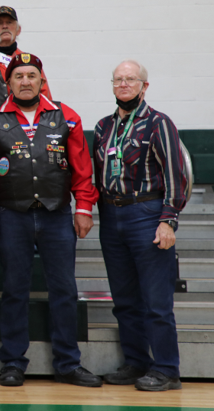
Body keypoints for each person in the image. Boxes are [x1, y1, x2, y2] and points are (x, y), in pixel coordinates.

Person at [0, 53, 101, 387]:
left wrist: (84, 208)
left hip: (57, 216)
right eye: (19, 76)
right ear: (8, 82)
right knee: (15, 289)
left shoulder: (65, 116)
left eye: (32, 75)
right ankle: (13, 362)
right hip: (11, 216)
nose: (26, 81)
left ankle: (68, 363)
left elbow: (82, 169)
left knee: (64, 289)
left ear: (42, 81)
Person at [93, 60, 188, 391]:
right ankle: (136, 362)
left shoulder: (158, 123)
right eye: (118, 79)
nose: (123, 84)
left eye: (130, 79)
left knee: (156, 301)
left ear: (144, 86)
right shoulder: (104, 127)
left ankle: (167, 368)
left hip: (146, 214)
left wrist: (168, 221)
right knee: (124, 299)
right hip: (111, 215)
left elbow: (178, 176)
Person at [0, 6, 52, 126]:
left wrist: (35, 126)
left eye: (9, 22)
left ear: (18, 30)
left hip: (30, 128)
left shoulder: (32, 62)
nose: (5, 26)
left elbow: (45, 97)